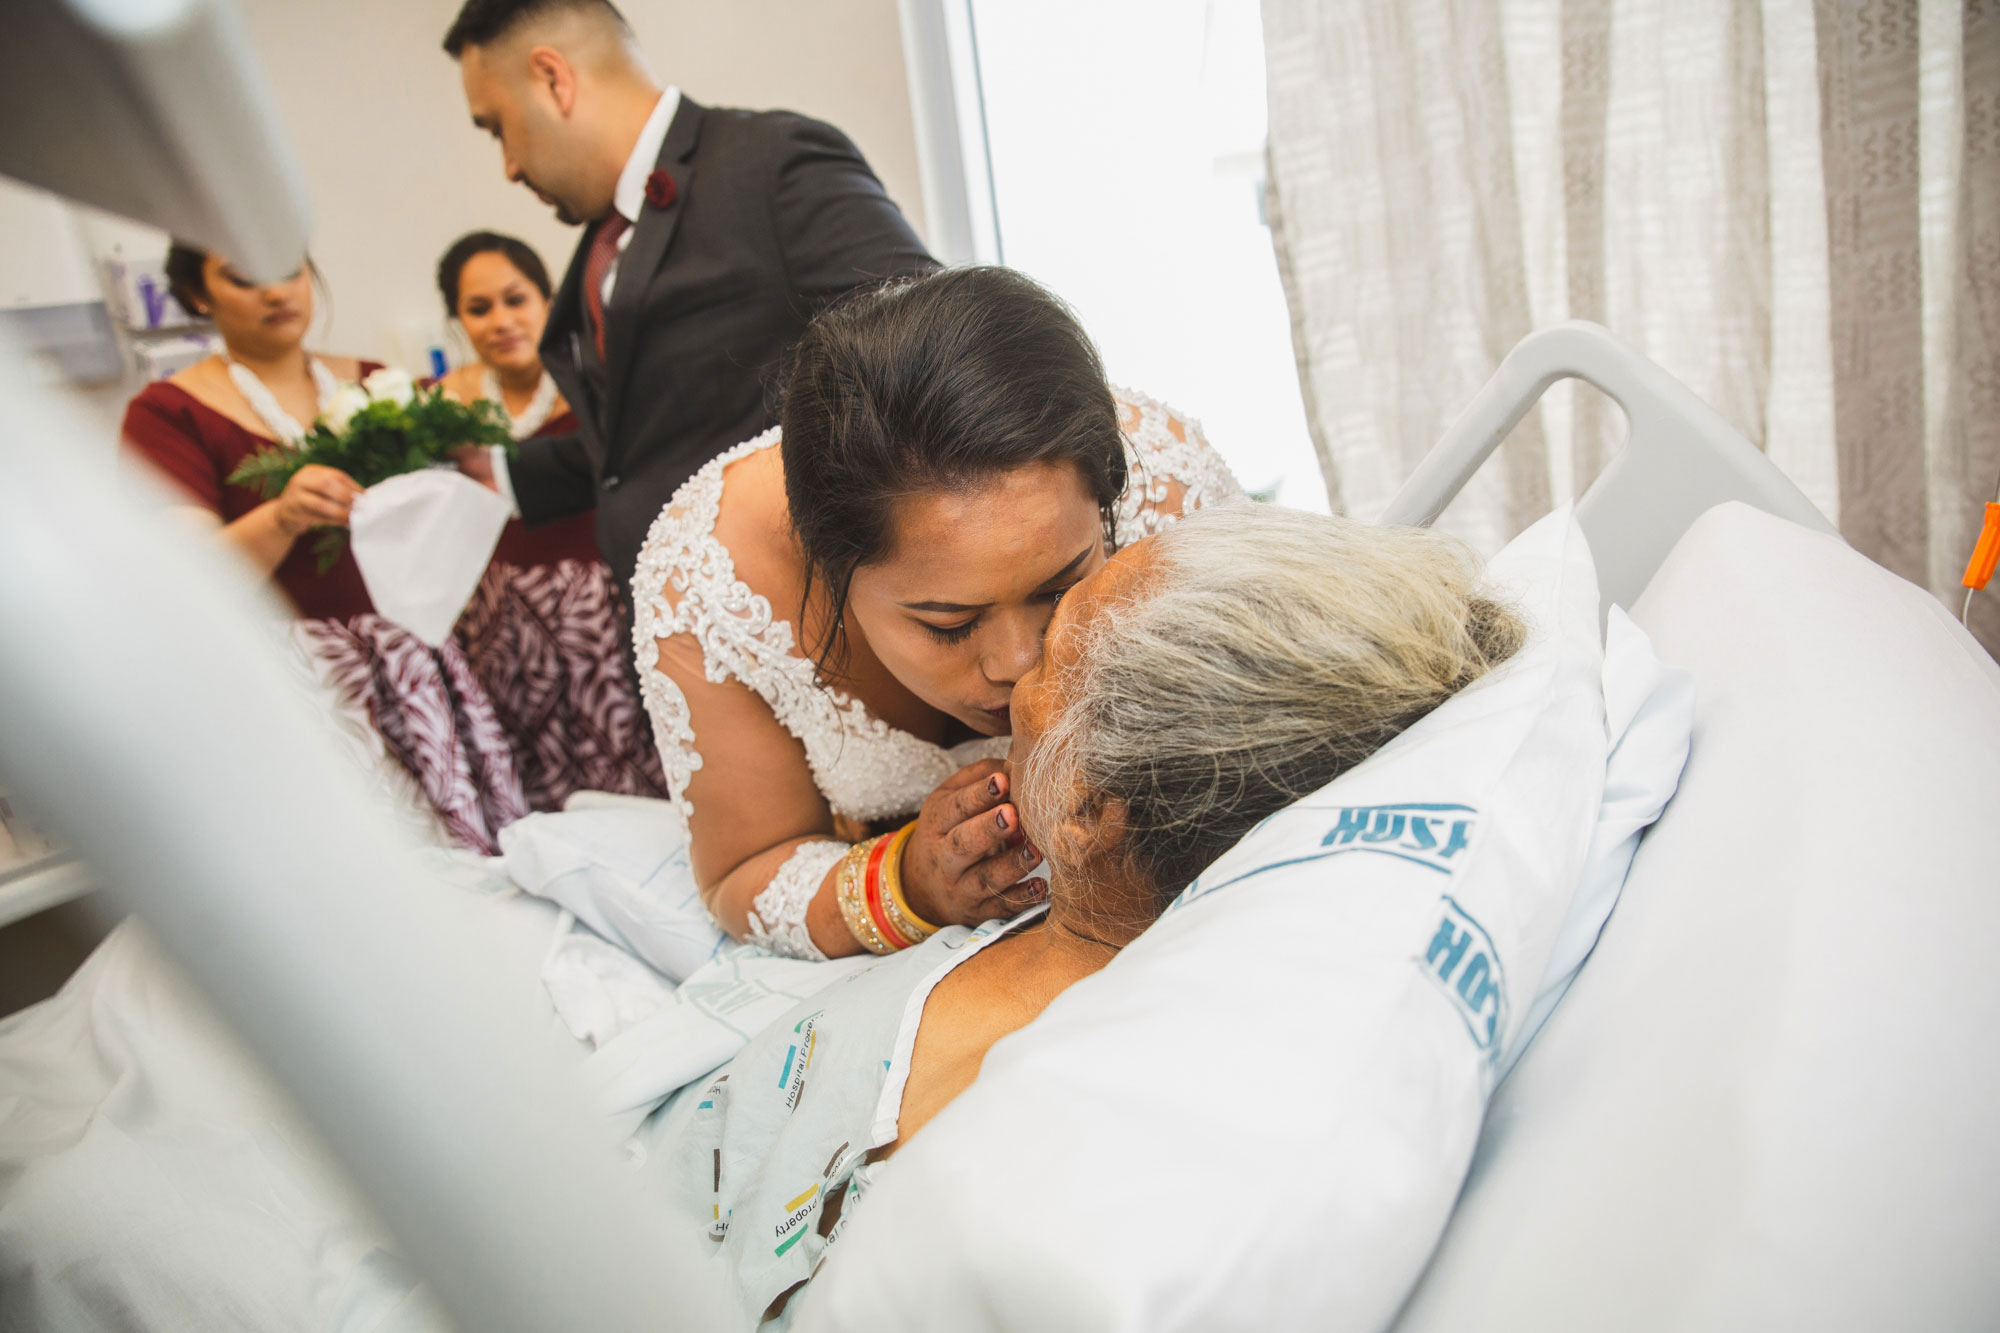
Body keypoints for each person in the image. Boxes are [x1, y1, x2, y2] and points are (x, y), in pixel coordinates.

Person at [657, 502, 1530, 1323]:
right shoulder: (1096, 900)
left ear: (1085, 811)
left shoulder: (949, 1138)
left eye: (1048, 655)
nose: (1007, 675)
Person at [633, 266, 1245, 962]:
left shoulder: (1169, 497)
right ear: (828, 566)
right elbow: (744, 867)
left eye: (1060, 587)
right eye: (948, 624)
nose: (1018, 663)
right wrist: (908, 885)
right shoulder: (711, 579)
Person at [442, 0, 937, 597]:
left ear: (553, 78)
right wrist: (495, 472)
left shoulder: (773, 166)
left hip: (785, 610)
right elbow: (645, 445)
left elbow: (925, 347)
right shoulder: (604, 242)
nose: (510, 167)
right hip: (666, 634)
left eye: (497, 127)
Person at [121, 244, 529, 852]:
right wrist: (281, 518)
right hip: (285, 682)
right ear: (198, 294)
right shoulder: (168, 413)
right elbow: (187, 580)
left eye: (289, 271)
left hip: (412, 667)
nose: (276, 292)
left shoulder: (380, 386)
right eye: (244, 277)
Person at [433, 230, 667, 810]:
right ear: (458, 321)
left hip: (594, 606)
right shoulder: (444, 403)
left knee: (615, 754)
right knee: (523, 761)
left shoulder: (592, 388)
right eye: (478, 309)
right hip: (494, 614)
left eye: (517, 300)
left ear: (546, 300)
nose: (501, 321)